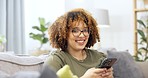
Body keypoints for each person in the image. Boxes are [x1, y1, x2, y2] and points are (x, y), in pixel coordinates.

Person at [44, 8, 114, 78]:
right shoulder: (55, 60)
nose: (82, 35)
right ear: (64, 34)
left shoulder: (100, 57)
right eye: (75, 31)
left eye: (85, 30)